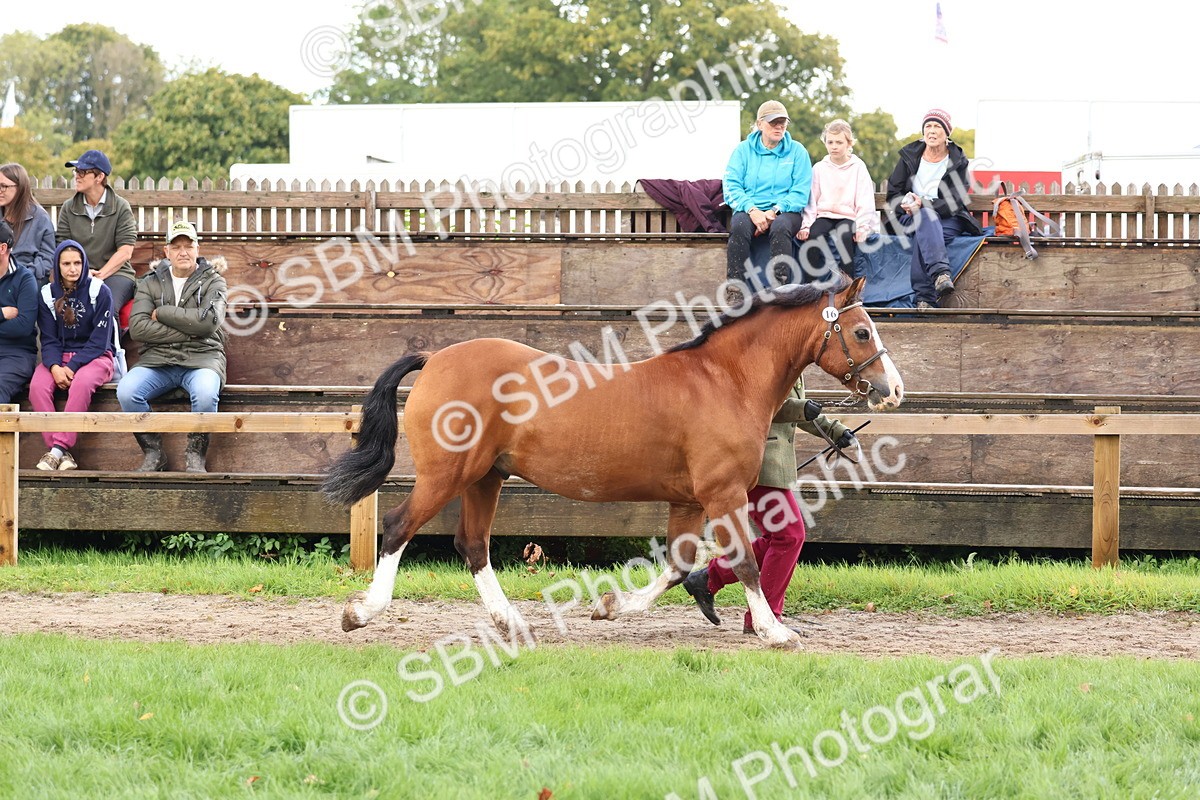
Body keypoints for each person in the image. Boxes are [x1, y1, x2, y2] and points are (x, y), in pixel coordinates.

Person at [682, 378, 857, 635]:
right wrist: (801, 409)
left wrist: (835, 431)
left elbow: (800, 410)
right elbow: (763, 404)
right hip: (756, 463)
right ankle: (765, 618)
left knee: (779, 537)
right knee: (789, 536)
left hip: (774, 465)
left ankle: (709, 578)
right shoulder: (767, 360)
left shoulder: (793, 367)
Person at [117, 220, 227, 473]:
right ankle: (154, 453)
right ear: (166, 252)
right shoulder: (150, 282)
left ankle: (195, 454)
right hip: (158, 361)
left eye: (188, 246)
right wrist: (190, 330)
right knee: (126, 391)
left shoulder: (214, 281)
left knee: (206, 394)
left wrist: (163, 312)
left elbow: (208, 323)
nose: (183, 252)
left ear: (197, 249)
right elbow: (138, 328)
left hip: (202, 359)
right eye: (176, 247)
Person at [29, 241, 117, 471]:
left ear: (84, 263)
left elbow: (100, 341)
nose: (73, 269)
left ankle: (55, 450)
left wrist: (72, 367)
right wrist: (55, 367)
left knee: (82, 382)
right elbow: (48, 339)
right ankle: (60, 451)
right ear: (57, 266)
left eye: (77, 263)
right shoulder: (47, 294)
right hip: (59, 357)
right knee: (37, 387)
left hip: (96, 357)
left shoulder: (100, 291)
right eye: (66, 263)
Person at [884, 109, 982, 309]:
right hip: (910, 218)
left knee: (926, 228)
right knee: (925, 220)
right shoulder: (909, 156)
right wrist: (906, 203)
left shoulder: (958, 160)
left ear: (947, 133)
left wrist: (924, 204)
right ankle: (940, 274)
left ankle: (924, 299)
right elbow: (893, 194)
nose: (932, 131)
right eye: (928, 126)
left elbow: (955, 200)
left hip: (949, 218)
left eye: (937, 126)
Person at [722, 100, 812, 284]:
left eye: (783, 122)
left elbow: (800, 191)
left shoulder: (798, 151)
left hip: (785, 211)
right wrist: (752, 210)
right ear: (760, 124)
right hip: (750, 209)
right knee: (738, 226)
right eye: (773, 122)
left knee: (780, 227)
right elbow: (731, 185)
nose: (779, 127)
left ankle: (780, 287)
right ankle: (735, 287)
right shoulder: (742, 150)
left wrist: (775, 211)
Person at [55, 149, 138, 314]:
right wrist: (82, 273)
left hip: (116, 274)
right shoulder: (68, 208)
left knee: (106, 306)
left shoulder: (121, 207)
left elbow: (125, 252)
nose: (77, 176)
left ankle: (109, 341)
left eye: (83, 172)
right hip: (77, 273)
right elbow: (63, 248)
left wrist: (98, 277)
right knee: (64, 308)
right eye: (76, 171)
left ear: (100, 177)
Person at [797, 120, 879, 283]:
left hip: (848, 216)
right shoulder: (819, 168)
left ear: (849, 143)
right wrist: (806, 225)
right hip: (825, 215)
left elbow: (865, 199)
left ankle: (846, 286)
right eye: (830, 142)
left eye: (839, 142)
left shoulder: (858, 167)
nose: (834, 146)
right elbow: (812, 200)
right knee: (814, 235)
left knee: (845, 236)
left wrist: (862, 226)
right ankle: (808, 287)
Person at [0, 219, 39, 404]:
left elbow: (23, 326)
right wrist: (1, 314)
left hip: (16, 353)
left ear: (2, 249)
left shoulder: (25, 279)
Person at [0, 163, 56, 285]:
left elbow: (48, 258)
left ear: (20, 188)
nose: (0, 191)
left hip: (28, 278)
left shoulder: (40, 218)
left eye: (3, 186)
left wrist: (24, 274)